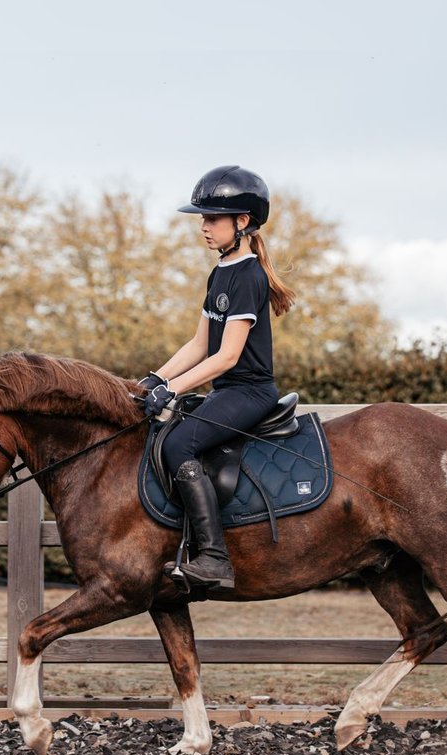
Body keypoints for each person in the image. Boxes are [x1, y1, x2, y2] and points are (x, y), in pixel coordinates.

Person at [138, 165, 296, 595]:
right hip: (227, 390)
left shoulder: (248, 276)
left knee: (178, 443)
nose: (204, 228)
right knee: (164, 433)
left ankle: (214, 557)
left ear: (241, 222)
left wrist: (172, 389)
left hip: (250, 392)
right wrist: (154, 378)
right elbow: (199, 343)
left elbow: (226, 356)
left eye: (212, 219)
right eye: (202, 220)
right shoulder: (221, 272)